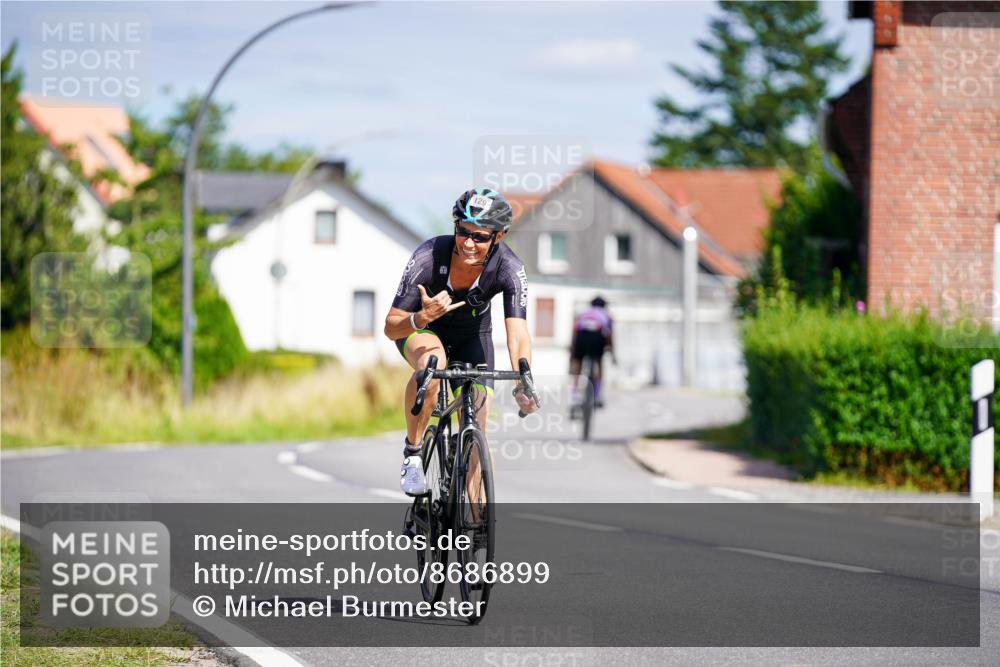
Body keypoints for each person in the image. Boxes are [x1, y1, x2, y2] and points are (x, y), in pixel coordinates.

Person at [384, 188, 539, 495]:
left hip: (473, 338)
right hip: (421, 332)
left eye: (480, 237)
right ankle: (413, 454)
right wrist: (422, 317)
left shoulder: (509, 268)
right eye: (462, 232)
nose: (469, 243)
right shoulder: (429, 256)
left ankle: (474, 521)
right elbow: (391, 327)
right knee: (433, 363)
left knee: (477, 429)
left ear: (499, 236)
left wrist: (524, 380)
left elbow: (518, 332)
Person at [570, 296, 614, 410]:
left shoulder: (584, 313)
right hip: (597, 337)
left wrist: (573, 350)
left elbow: (575, 330)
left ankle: (575, 394)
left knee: (578, 364)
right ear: (604, 306)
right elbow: (609, 335)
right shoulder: (606, 315)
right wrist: (611, 351)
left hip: (582, 335)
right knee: (599, 363)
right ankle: (598, 395)